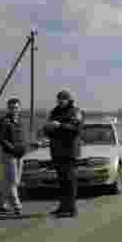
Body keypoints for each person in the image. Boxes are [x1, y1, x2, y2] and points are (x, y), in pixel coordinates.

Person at [43, 89, 84, 217]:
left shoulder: (76, 112)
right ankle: (62, 206)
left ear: (69, 99)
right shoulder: (54, 112)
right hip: (56, 151)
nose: (60, 101)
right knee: (61, 181)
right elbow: (48, 130)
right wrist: (48, 128)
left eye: (63, 99)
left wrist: (59, 125)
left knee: (69, 180)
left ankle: (72, 208)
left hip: (70, 151)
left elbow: (76, 129)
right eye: (59, 99)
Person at [0, 97, 27, 214]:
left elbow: (22, 139)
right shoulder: (4, 121)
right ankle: (17, 206)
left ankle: (0, 204)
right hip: (8, 155)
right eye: (12, 108)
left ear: (19, 108)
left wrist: (24, 149)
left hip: (20, 155)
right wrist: (13, 149)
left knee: (10, 181)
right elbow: (0, 139)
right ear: (8, 108)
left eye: (16, 107)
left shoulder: (20, 121)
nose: (14, 110)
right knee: (13, 181)